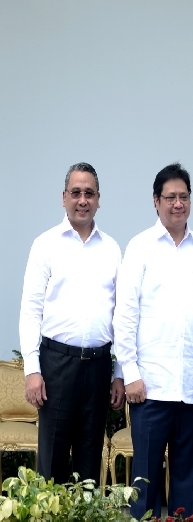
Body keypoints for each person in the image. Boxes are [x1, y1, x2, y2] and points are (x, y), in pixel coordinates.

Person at [113, 163, 193, 519]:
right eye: (170, 197)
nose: (178, 204)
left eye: (183, 197)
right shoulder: (140, 247)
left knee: (187, 480)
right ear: (156, 202)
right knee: (144, 483)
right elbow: (125, 315)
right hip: (150, 387)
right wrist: (130, 374)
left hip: (190, 386)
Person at [19, 162, 125, 484]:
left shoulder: (111, 249)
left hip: (97, 369)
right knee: (52, 463)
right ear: (64, 197)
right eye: (76, 193)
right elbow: (30, 311)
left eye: (89, 193)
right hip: (56, 368)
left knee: (89, 466)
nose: (82, 200)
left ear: (98, 199)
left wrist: (119, 373)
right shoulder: (45, 245)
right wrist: (33, 371)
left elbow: (121, 315)